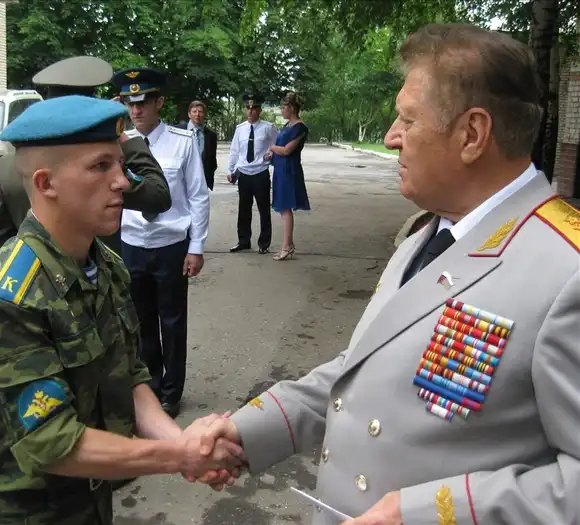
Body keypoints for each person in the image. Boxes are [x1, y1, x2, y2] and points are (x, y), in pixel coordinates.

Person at [197, 23, 580, 525]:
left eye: (407, 119)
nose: (390, 137)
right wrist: (251, 429)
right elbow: (365, 370)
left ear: (471, 134)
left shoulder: (566, 272)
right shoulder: (429, 231)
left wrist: (423, 512)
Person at [0, 95, 241, 525]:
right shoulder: (9, 297)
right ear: (46, 183)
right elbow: (53, 443)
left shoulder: (105, 266)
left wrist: (183, 443)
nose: (122, 182)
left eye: (120, 164)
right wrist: (180, 455)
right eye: (101, 166)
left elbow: (129, 374)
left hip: (92, 505)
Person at [0, 56, 171, 260]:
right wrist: (126, 141)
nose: (120, 182)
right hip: (95, 273)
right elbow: (158, 195)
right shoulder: (98, 167)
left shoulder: (8, 164)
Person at [112, 67, 210, 419]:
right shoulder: (118, 145)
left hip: (170, 245)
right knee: (139, 322)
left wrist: (196, 247)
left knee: (172, 321)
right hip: (131, 243)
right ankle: (150, 387)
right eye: (129, 103)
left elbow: (198, 196)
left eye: (143, 102)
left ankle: (171, 391)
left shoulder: (182, 143)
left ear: (159, 103)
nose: (136, 110)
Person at [227, 92, 278, 254]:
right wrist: (230, 169)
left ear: (259, 110)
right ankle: (243, 241)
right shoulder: (240, 129)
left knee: (264, 209)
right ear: (245, 110)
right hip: (244, 173)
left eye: (254, 108)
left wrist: (271, 153)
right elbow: (234, 151)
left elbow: (275, 145)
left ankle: (264, 243)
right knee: (244, 209)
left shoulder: (268, 128)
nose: (250, 111)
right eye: (248, 108)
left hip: (260, 172)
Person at [265, 91, 311, 261]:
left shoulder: (300, 128)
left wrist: (272, 148)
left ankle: (286, 246)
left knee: (286, 208)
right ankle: (288, 244)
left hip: (289, 170)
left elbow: (286, 150)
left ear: (291, 108)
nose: (282, 110)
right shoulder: (288, 126)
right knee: (283, 208)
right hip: (280, 169)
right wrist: (272, 154)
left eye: (283, 107)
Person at [175, 100, 218, 191]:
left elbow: (212, 160)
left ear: (204, 115)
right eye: (194, 111)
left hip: (202, 181)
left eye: (200, 112)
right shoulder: (177, 131)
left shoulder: (211, 135)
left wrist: (207, 177)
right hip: (180, 179)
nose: (197, 114)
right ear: (189, 114)